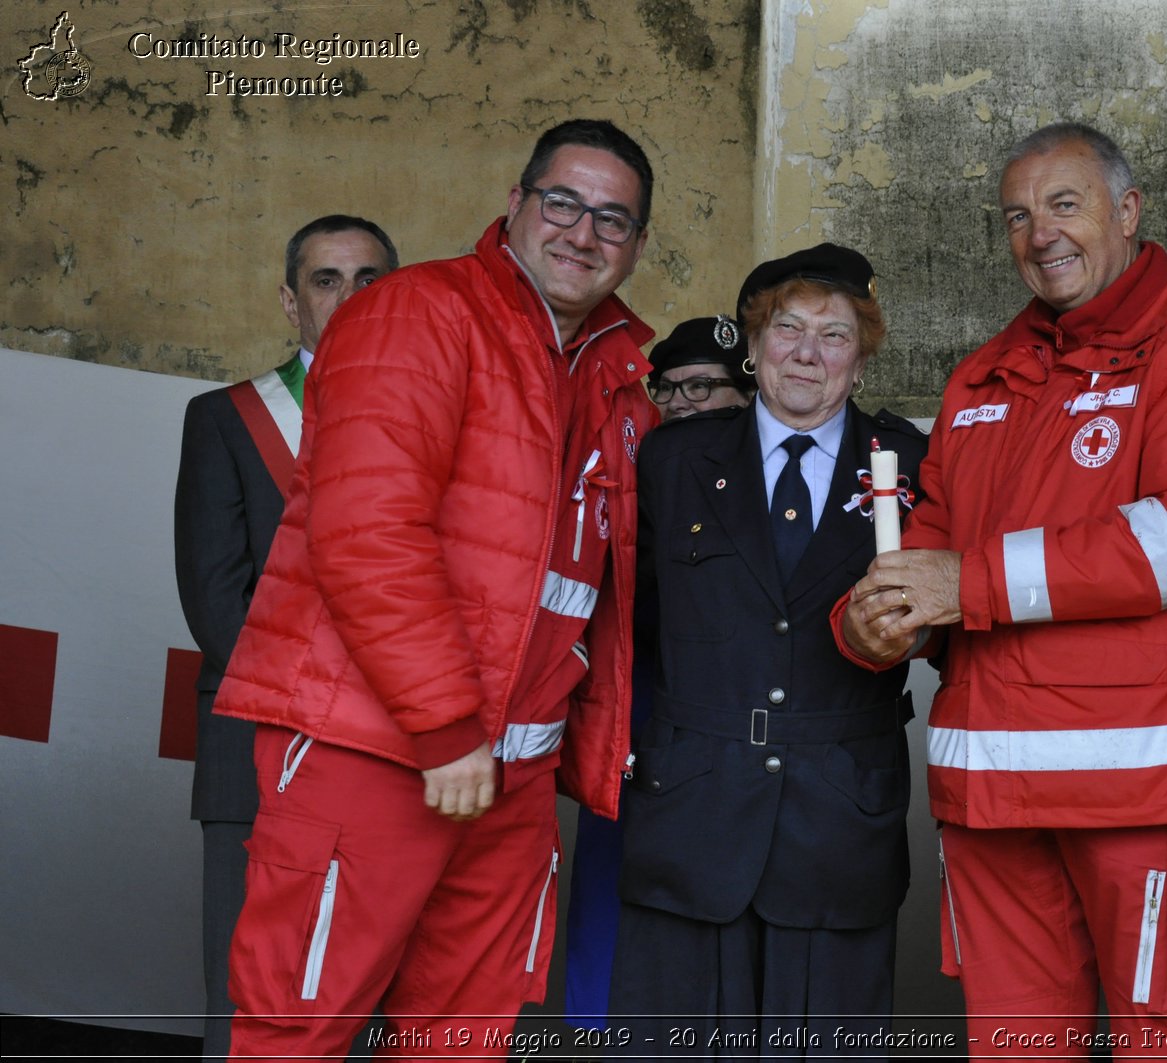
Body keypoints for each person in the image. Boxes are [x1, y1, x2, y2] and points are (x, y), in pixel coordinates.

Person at [837, 123, 1167, 1057]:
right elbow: (931, 532)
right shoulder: (985, 372)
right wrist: (874, 620)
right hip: (996, 791)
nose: (1038, 234)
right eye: (1017, 215)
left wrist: (962, 584)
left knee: (1158, 1042)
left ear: (1128, 212)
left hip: (1150, 782)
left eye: (1063, 204)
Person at [211, 118, 657, 1059]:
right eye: (563, 203)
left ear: (638, 246)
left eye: (612, 219)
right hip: (379, 748)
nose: (584, 232)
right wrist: (449, 728)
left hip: (514, 778)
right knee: (298, 1029)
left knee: (461, 1038)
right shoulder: (419, 312)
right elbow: (366, 536)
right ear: (516, 204)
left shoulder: (617, 372)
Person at [608, 244, 928, 1052]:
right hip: (692, 813)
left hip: (839, 822)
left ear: (861, 360)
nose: (807, 353)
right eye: (788, 329)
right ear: (752, 350)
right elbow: (627, 626)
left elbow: (949, 627)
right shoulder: (673, 459)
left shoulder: (911, 464)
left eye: (835, 334)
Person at [173, 213, 397, 1061]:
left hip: (391, 760)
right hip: (256, 750)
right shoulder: (225, 420)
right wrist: (333, 711)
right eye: (326, 279)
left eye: (370, 280)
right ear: (288, 301)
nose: (348, 298)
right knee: (246, 993)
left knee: (368, 996)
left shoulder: (439, 421)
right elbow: (215, 603)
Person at [563, 314, 754, 1027]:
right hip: (634, 705)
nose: (681, 404)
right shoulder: (634, 464)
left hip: (730, 725)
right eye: (668, 388)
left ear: (746, 394)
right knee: (616, 878)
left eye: (703, 386)